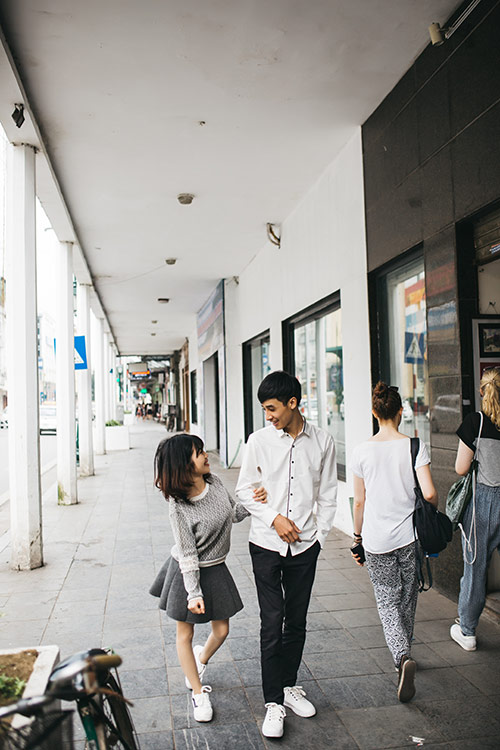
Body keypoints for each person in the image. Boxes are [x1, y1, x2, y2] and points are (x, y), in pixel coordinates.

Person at [236, 371, 337, 739]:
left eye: (272, 408)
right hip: (265, 543)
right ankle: (273, 702)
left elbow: (327, 494)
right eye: (265, 409)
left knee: (296, 620)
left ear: (292, 403)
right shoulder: (258, 441)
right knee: (271, 621)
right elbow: (244, 490)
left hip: (305, 546)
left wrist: (319, 537)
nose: (268, 416)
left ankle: (290, 685)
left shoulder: (323, 441)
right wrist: (274, 517)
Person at [149, 433, 267, 722]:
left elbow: (233, 513)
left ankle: (201, 661)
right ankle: (199, 695)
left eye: (202, 450)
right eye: (198, 452)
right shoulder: (178, 506)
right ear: (183, 464)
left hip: (216, 568)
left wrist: (255, 499)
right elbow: (188, 554)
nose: (205, 455)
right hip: (187, 572)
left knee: (222, 631)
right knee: (185, 634)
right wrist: (194, 593)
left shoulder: (214, 484)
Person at [350, 382, 438, 703]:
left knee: (387, 600)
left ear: (375, 413)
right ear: (401, 412)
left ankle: (401, 657)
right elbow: (428, 493)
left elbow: (359, 502)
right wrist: (434, 509)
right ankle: (406, 650)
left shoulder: (361, 451)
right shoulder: (415, 446)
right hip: (410, 536)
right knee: (408, 596)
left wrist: (357, 538)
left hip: (376, 540)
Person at [450, 367, 500, 651]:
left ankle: (467, 631)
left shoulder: (475, 423)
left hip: (485, 502)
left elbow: (460, 468)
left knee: (475, 567)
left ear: (482, 392)